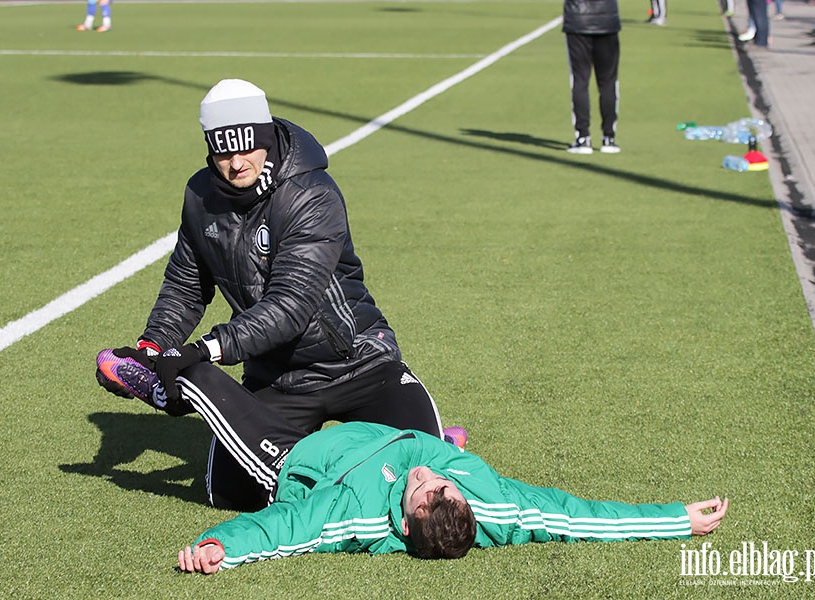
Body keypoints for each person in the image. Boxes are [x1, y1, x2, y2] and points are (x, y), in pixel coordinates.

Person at [96, 79, 455, 512]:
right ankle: (339, 450)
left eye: (246, 145)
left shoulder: (312, 194)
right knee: (232, 494)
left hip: (357, 363)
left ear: (264, 136)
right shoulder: (200, 196)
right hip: (277, 378)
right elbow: (186, 285)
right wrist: (153, 350)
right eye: (223, 150)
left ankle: (422, 434)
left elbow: (290, 306)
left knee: (430, 471)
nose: (236, 162)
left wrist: (204, 352)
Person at [174, 421, 729, 574]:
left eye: (422, 489)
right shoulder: (489, 503)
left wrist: (220, 545)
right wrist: (677, 520)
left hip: (304, 455)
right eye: (442, 484)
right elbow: (576, 515)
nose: (425, 478)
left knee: (228, 412)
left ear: (408, 526)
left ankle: (167, 372)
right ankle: (444, 435)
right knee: (413, 410)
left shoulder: (359, 516)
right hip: (390, 427)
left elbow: (286, 528)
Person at [562, 0, 622, 154]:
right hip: (607, 19)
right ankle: (608, 137)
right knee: (608, 82)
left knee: (580, 80)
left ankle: (583, 138)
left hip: (578, 20)